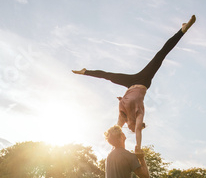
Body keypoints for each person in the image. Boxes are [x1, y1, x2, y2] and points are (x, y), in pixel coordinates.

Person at [73, 15, 196, 154]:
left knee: (109, 76)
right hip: (143, 80)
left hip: (130, 83)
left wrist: (113, 147)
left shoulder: (123, 117)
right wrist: (138, 146)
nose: (130, 129)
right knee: (159, 56)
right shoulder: (139, 115)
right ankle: (86, 71)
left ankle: (182, 30)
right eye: (131, 129)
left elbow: (115, 130)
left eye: (129, 129)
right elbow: (137, 129)